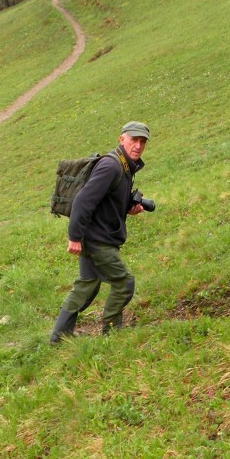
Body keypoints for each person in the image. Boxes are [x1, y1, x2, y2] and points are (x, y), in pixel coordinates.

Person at [50, 121, 151, 343]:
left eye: (142, 142)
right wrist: (74, 236)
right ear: (121, 138)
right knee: (124, 283)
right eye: (134, 140)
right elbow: (83, 202)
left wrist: (127, 208)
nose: (138, 145)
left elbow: (104, 200)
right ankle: (112, 333)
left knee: (87, 285)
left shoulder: (123, 167)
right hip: (97, 240)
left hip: (94, 236)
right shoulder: (112, 166)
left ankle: (59, 337)